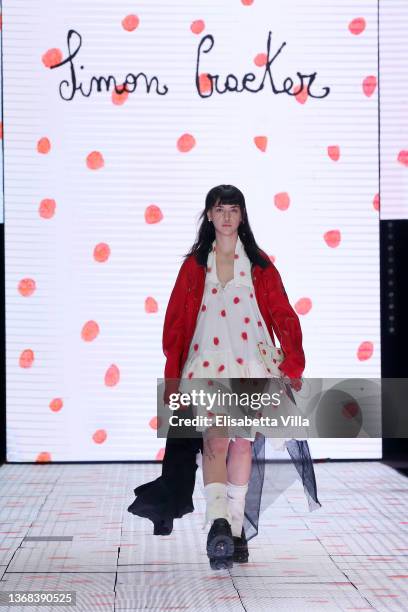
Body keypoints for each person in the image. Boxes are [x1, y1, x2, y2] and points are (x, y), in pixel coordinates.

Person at [128, 184, 321, 570]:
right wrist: (172, 378)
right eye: (220, 209)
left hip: (251, 362)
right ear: (210, 216)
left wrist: (293, 362)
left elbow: (283, 313)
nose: (227, 216)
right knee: (214, 440)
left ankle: (233, 529)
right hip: (207, 363)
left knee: (243, 445)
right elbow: (177, 324)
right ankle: (218, 522)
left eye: (234, 209)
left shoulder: (260, 265)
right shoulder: (195, 265)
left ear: (242, 215)